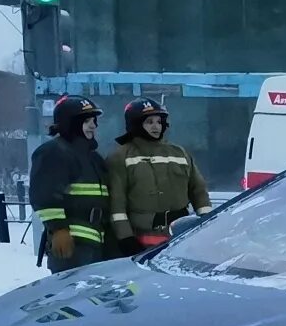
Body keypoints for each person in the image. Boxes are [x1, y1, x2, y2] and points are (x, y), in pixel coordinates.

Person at [106, 98, 210, 251]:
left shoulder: (180, 153)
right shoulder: (120, 157)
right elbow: (116, 204)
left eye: (159, 122)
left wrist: (207, 223)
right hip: (141, 237)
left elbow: (199, 191)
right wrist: (126, 238)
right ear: (136, 124)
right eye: (149, 122)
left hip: (181, 235)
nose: (156, 126)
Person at [30, 96, 111, 272]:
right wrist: (59, 230)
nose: (93, 126)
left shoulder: (93, 157)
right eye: (87, 121)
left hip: (95, 241)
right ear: (70, 123)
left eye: (94, 121)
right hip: (72, 244)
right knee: (71, 297)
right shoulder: (54, 152)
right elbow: (44, 195)